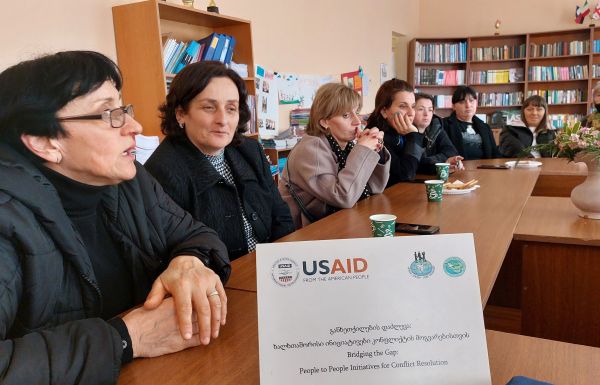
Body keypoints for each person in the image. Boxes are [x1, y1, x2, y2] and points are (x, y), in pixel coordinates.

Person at [0, 51, 230, 384]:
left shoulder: (128, 181)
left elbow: (194, 233)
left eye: (123, 109)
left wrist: (189, 261)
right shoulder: (8, 217)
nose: (135, 126)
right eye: (109, 113)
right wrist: (126, 338)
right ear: (44, 142)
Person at [145, 61, 294, 259]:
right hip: (220, 281)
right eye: (209, 107)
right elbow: (178, 253)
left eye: (231, 108)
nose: (223, 120)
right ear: (181, 114)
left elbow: (279, 212)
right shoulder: (161, 171)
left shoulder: (250, 150)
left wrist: (284, 262)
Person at [278, 83, 390, 228]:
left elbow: (376, 187)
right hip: (303, 235)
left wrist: (376, 149)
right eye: (346, 115)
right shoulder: (310, 149)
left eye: (357, 112)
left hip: (334, 225)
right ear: (325, 122)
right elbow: (343, 196)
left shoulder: (345, 145)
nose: (357, 121)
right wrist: (362, 150)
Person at [365, 78, 425, 185]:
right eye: (403, 106)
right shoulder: (375, 136)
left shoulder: (398, 130)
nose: (411, 113)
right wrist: (413, 136)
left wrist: (444, 164)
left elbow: (417, 162)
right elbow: (406, 174)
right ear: (384, 111)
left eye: (413, 106)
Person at [444, 86, 501, 160]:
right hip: (458, 169)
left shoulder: (484, 127)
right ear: (454, 106)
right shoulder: (444, 125)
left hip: (484, 169)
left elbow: (495, 154)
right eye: (462, 102)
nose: (468, 105)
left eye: (471, 101)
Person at [412, 93, 463, 174]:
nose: (426, 114)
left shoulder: (435, 126)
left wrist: (434, 162)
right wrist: (442, 162)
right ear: (411, 111)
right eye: (421, 109)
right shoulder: (405, 131)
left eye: (430, 110)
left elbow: (451, 152)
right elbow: (414, 164)